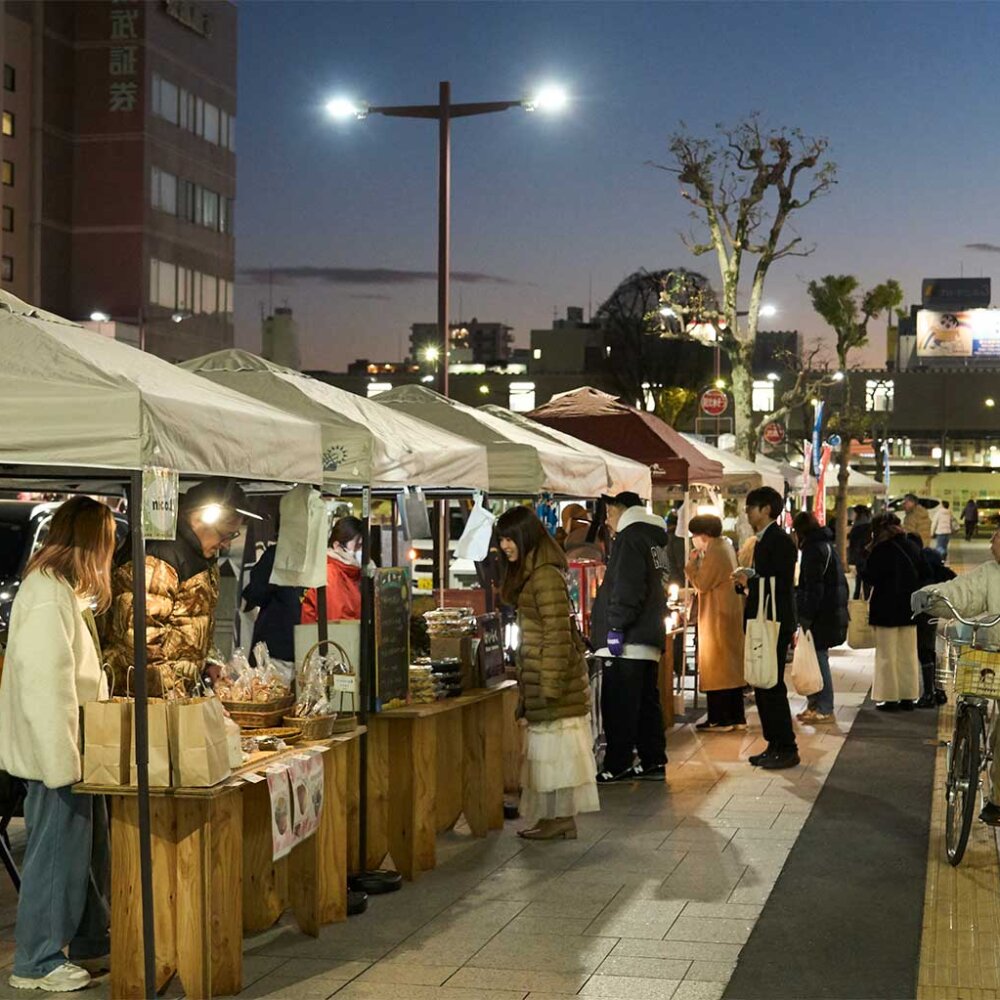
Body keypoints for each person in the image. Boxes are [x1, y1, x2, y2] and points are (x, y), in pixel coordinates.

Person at [0, 498, 115, 992]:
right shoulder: (47, 592)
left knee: (81, 854)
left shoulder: (60, 589)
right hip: (57, 753)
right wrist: (61, 762)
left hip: (72, 749)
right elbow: (46, 685)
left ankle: (88, 940)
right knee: (54, 856)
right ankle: (36, 961)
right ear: (92, 541)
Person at [496, 505, 598, 840]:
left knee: (556, 754)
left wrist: (550, 684)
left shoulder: (543, 576)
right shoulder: (535, 572)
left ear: (526, 537)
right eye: (501, 539)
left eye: (509, 538)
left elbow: (557, 633)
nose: (504, 546)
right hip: (542, 676)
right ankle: (553, 818)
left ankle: (561, 820)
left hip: (551, 679)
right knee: (550, 755)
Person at [105, 478, 249, 696]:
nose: (227, 544)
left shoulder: (200, 555)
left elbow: (191, 621)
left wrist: (205, 665)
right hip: (144, 698)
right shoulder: (160, 556)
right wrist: (173, 693)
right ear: (202, 518)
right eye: (225, 534)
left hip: (173, 694)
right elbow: (141, 641)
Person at [913, 528, 1000, 823]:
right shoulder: (990, 573)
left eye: (997, 536)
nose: (991, 542)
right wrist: (931, 596)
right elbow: (961, 592)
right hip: (990, 657)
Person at [590, 491, 669, 782]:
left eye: (609, 513)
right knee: (647, 702)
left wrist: (615, 627)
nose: (608, 520)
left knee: (619, 703)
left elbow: (627, 587)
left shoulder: (629, 538)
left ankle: (618, 762)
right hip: (648, 636)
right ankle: (652, 759)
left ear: (620, 509)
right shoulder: (654, 539)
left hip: (628, 641)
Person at [733, 486, 799, 770]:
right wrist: (748, 582)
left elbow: (781, 583)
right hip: (764, 618)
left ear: (766, 510)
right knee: (762, 683)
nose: (747, 512)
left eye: (751, 507)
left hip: (773, 621)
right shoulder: (763, 540)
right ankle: (773, 742)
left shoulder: (780, 540)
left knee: (771, 684)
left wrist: (752, 581)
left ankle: (786, 746)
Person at [685, 514, 746, 732]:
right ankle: (736, 716)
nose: (694, 538)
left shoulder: (716, 551)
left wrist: (691, 565)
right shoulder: (726, 545)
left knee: (717, 665)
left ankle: (720, 718)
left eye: (695, 534)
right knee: (730, 666)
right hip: (728, 612)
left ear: (704, 534)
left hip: (717, 615)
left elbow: (702, 583)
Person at [861, 513, 922, 711]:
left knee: (887, 655)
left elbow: (871, 576)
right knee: (908, 654)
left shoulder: (881, 549)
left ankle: (890, 698)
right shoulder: (911, 546)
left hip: (886, 608)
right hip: (910, 608)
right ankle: (908, 696)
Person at [792, 511, 848, 723]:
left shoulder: (813, 550)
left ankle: (824, 706)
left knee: (818, 658)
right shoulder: (825, 545)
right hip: (830, 611)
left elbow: (814, 588)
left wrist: (805, 616)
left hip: (821, 614)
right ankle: (815, 704)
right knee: (815, 657)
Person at [242, 535, 303, 665]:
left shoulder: (276, 555)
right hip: (274, 652)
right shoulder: (275, 556)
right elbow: (255, 594)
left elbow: (255, 593)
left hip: (289, 649)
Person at [909, 538, 954, 708]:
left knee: (925, 651)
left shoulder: (920, 569)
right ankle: (939, 691)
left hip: (924, 615)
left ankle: (929, 694)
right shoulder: (939, 568)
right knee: (933, 651)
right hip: (940, 616)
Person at [301, 516, 364, 624]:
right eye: (357, 545)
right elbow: (335, 623)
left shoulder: (356, 574)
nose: (361, 551)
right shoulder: (327, 576)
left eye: (363, 545)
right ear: (337, 547)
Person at [847, 505, 873, 599]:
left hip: (861, 554)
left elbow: (856, 541)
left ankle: (860, 595)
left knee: (862, 575)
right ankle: (862, 595)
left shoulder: (860, 525)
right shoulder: (868, 524)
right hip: (865, 554)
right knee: (863, 576)